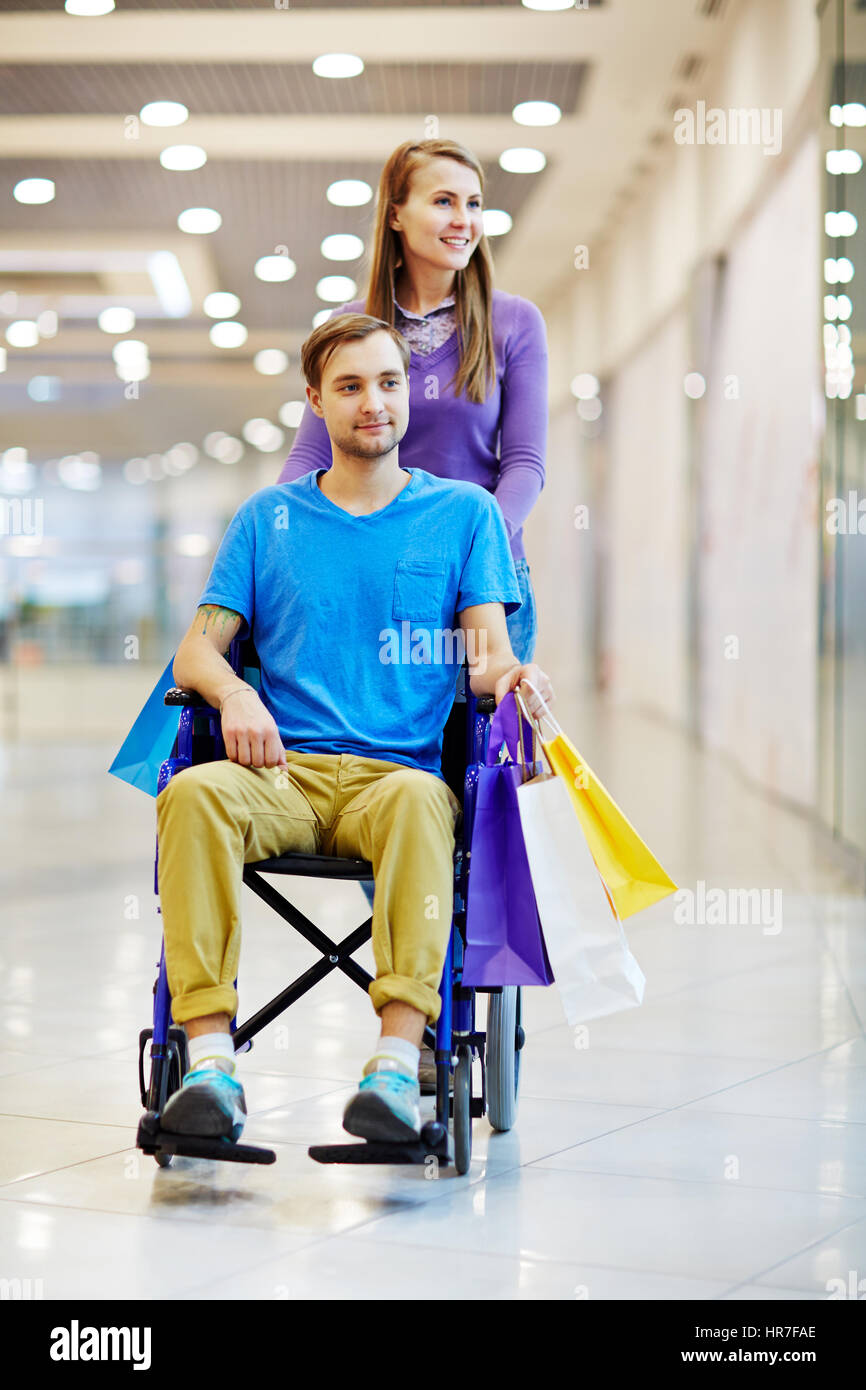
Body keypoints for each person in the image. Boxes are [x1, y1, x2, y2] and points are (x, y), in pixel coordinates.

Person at [156, 314, 555, 1148]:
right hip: (281, 776)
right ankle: (209, 1063)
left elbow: (485, 660)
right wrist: (233, 693)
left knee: (421, 802)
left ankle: (396, 1069)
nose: (373, 403)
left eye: (388, 383)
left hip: (393, 778)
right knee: (193, 795)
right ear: (315, 401)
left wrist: (514, 676)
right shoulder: (268, 520)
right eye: (349, 386)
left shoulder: (463, 516)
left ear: (408, 394)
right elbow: (197, 651)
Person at [278, 139, 549, 1086]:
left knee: (456, 791)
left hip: (475, 591)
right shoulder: (357, 334)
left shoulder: (511, 324)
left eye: (474, 203)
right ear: (394, 213)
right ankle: (415, 991)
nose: (463, 219)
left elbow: (523, 466)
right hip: (365, 592)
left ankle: (436, 999)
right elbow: (302, 464)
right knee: (377, 779)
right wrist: (277, 550)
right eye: (443, 200)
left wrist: (471, 547)